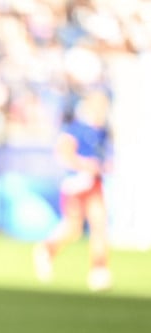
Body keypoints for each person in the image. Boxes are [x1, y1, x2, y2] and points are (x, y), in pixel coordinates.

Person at [33, 90, 112, 291]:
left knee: (99, 225)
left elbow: (104, 158)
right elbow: (64, 154)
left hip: (94, 182)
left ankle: (99, 270)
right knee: (73, 228)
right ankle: (47, 249)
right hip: (76, 184)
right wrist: (84, 165)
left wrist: (103, 166)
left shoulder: (103, 132)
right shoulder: (76, 129)